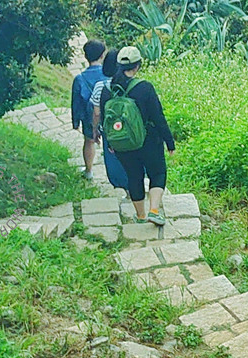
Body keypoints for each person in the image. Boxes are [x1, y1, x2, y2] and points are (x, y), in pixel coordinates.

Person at [100, 45, 175, 225]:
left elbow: (105, 120)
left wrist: (110, 142)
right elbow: (158, 117)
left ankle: (140, 216)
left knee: (134, 176)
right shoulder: (144, 88)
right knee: (157, 173)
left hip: (122, 143)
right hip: (149, 141)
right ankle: (154, 211)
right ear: (138, 65)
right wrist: (169, 142)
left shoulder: (107, 89)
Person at [90, 48, 129, 192]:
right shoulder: (133, 84)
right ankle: (134, 188)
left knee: (114, 160)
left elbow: (96, 113)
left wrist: (95, 130)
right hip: (130, 128)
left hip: (110, 130)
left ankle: (122, 187)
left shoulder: (100, 86)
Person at [69, 38, 107, 179]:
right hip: (108, 113)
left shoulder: (80, 78)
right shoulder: (108, 74)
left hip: (88, 115)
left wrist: (75, 122)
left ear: (85, 56)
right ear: (102, 55)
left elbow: (76, 102)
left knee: (89, 141)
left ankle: (89, 171)